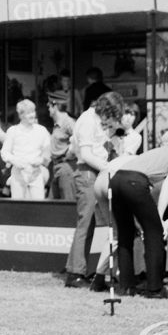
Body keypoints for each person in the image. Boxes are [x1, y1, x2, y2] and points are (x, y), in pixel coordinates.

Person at [104, 137, 168, 298]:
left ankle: (126, 287)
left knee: (125, 234)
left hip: (115, 181)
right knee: (154, 232)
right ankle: (155, 288)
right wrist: (160, 217)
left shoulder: (155, 152)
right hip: (134, 182)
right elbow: (167, 186)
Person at [63, 91, 125, 288]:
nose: (110, 121)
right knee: (85, 223)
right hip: (88, 173)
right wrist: (109, 167)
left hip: (94, 171)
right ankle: (74, 273)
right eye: (111, 116)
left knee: (88, 224)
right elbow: (87, 155)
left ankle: (79, 270)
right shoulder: (88, 121)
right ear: (106, 110)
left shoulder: (95, 120)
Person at [0, 100, 52, 200]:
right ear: (21, 115)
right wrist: (16, 161)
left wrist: (40, 160)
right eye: (28, 113)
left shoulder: (41, 130)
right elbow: (4, 153)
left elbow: (48, 153)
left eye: (33, 112)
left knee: (38, 207)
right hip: (18, 175)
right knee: (19, 208)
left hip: (36, 174)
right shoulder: (13, 131)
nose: (32, 115)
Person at [47, 92, 76, 201]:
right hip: (57, 167)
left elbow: (79, 140)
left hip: (66, 167)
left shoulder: (68, 123)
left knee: (67, 204)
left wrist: (70, 153)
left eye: (49, 106)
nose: (48, 109)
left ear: (55, 106)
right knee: (53, 206)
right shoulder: (58, 123)